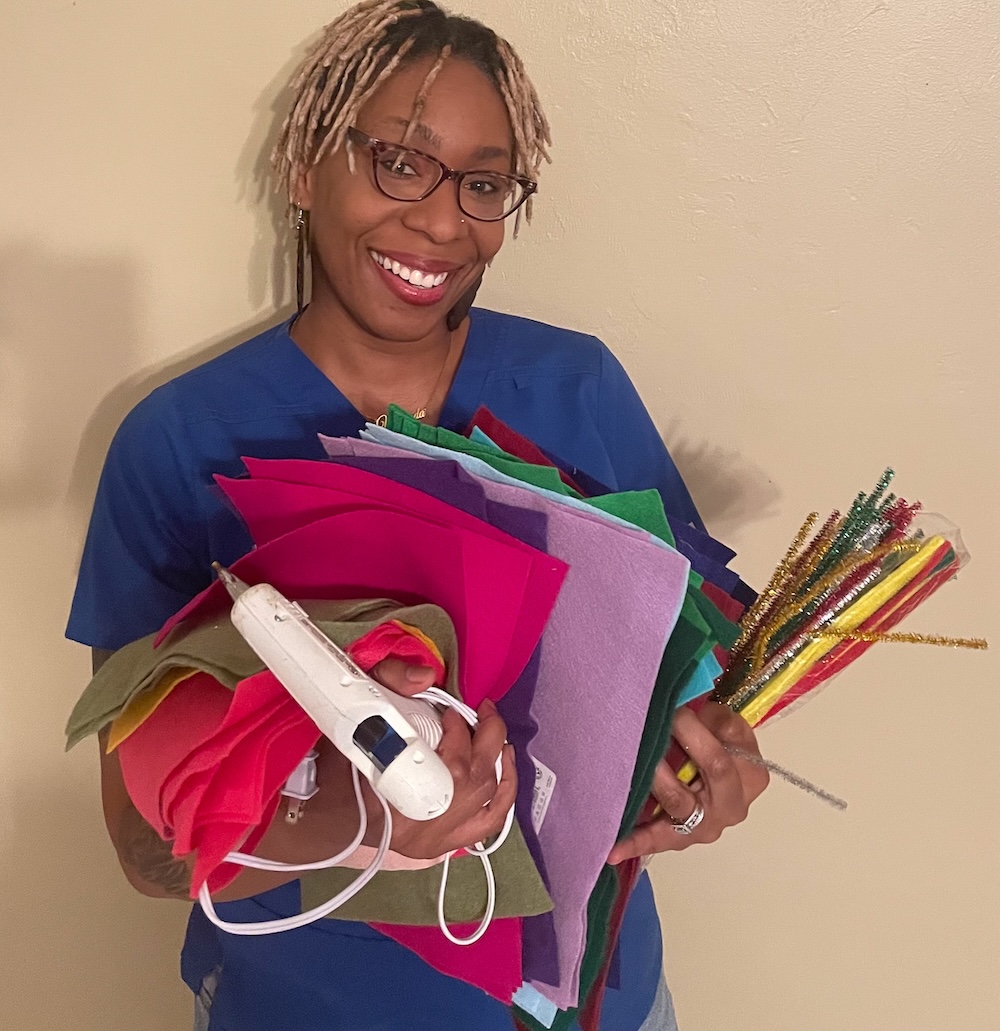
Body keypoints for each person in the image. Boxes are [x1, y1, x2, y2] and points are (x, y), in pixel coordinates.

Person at [66, 2, 769, 1028]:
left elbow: (689, 689)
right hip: (311, 1002)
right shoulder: (179, 442)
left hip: (592, 1001)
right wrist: (359, 826)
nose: (442, 222)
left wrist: (708, 774)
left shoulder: (576, 391)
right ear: (306, 167)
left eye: (481, 182)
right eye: (399, 160)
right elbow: (140, 841)